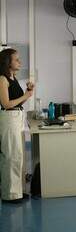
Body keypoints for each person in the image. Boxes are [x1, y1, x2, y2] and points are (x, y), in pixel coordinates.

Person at [0, 48, 34, 204]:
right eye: (16, 59)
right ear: (8, 62)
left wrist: (28, 92)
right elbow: (6, 104)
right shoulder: (2, 79)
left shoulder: (13, 77)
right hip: (9, 118)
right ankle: (9, 195)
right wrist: (25, 95)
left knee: (19, 156)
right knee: (11, 157)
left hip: (17, 116)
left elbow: (19, 101)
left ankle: (18, 192)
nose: (20, 62)